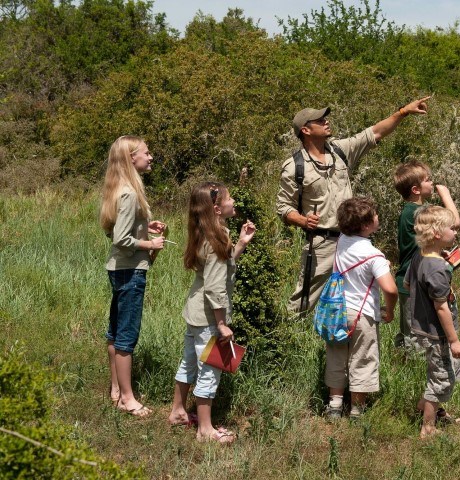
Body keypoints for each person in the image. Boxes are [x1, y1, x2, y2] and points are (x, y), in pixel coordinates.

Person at [277, 97, 431, 313]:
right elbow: (284, 208)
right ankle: (289, 339)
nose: (326, 121)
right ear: (306, 130)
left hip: (353, 239)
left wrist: (404, 111)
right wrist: (302, 220)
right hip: (322, 243)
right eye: (319, 120)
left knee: (355, 298)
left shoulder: (340, 151)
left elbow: (374, 133)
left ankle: (347, 338)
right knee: (304, 302)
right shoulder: (294, 166)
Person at [168, 182, 256, 444]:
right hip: (209, 318)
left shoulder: (208, 234)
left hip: (195, 313)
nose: (233, 201)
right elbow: (216, 288)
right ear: (217, 208)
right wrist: (222, 324)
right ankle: (205, 430)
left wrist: (240, 243)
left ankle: (178, 412)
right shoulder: (217, 238)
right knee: (209, 369)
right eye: (230, 199)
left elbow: (223, 265)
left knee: (190, 362)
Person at [100, 135, 166, 417]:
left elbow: (115, 228)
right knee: (127, 335)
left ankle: (116, 390)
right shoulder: (129, 193)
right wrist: (150, 243)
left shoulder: (120, 189)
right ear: (131, 159)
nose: (150, 157)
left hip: (118, 269)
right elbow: (120, 239)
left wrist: (144, 224)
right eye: (146, 153)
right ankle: (128, 398)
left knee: (115, 332)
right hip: (130, 271)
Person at [324, 197, 398, 420]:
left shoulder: (342, 240)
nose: (377, 217)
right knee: (362, 357)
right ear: (366, 226)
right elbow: (391, 289)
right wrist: (391, 310)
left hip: (337, 310)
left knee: (336, 355)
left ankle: (335, 405)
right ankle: (357, 409)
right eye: (375, 215)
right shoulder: (374, 255)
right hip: (362, 314)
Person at [404, 206, 460, 438]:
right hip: (438, 333)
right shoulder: (437, 268)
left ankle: (426, 406)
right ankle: (428, 428)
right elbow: (441, 307)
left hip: (422, 328)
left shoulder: (420, 256)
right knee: (441, 380)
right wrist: (454, 340)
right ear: (438, 234)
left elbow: (409, 285)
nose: (455, 232)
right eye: (451, 228)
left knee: (441, 372)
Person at [393, 160, 460, 352]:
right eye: (428, 180)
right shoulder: (413, 212)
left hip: (416, 280)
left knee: (412, 333)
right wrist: (445, 194)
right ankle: (409, 370)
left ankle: (405, 364)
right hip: (412, 283)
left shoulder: (417, 210)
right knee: (414, 336)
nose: (432, 183)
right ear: (416, 189)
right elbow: (454, 223)